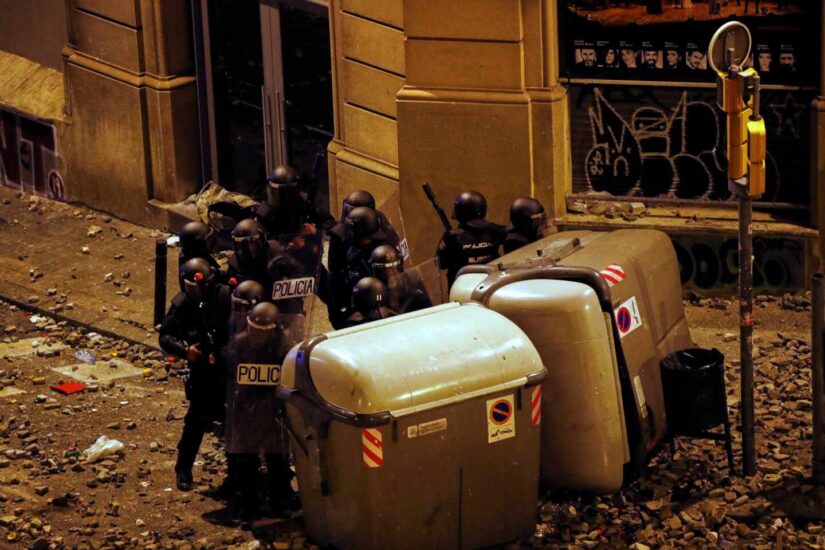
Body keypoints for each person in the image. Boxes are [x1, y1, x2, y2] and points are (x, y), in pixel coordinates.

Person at [159, 258, 230, 491]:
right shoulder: (183, 304)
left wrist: (222, 353)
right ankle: (183, 468)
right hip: (201, 366)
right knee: (197, 420)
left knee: (234, 419)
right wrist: (186, 352)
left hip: (226, 363)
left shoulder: (223, 297)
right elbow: (165, 337)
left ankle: (236, 476)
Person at [224, 302, 296, 524]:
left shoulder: (284, 348)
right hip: (248, 413)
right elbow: (228, 376)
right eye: (253, 330)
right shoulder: (239, 344)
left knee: (278, 462)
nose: (256, 336)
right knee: (246, 464)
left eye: (261, 332)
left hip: (273, 413)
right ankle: (249, 507)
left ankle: (279, 504)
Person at [436, 190, 506, 287]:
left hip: (461, 290)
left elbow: (440, 264)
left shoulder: (452, 236)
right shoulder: (497, 230)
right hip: (491, 286)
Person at [254, 164, 334, 239]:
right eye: (279, 192)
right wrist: (290, 244)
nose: (283, 197)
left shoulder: (303, 201)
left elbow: (329, 222)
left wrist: (315, 229)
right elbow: (268, 242)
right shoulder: (265, 212)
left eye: (287, 192)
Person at [369, 245, 432, 314]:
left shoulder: (412, 283)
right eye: (387, 269)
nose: (393, 272)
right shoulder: (372, 291)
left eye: (395, 266)